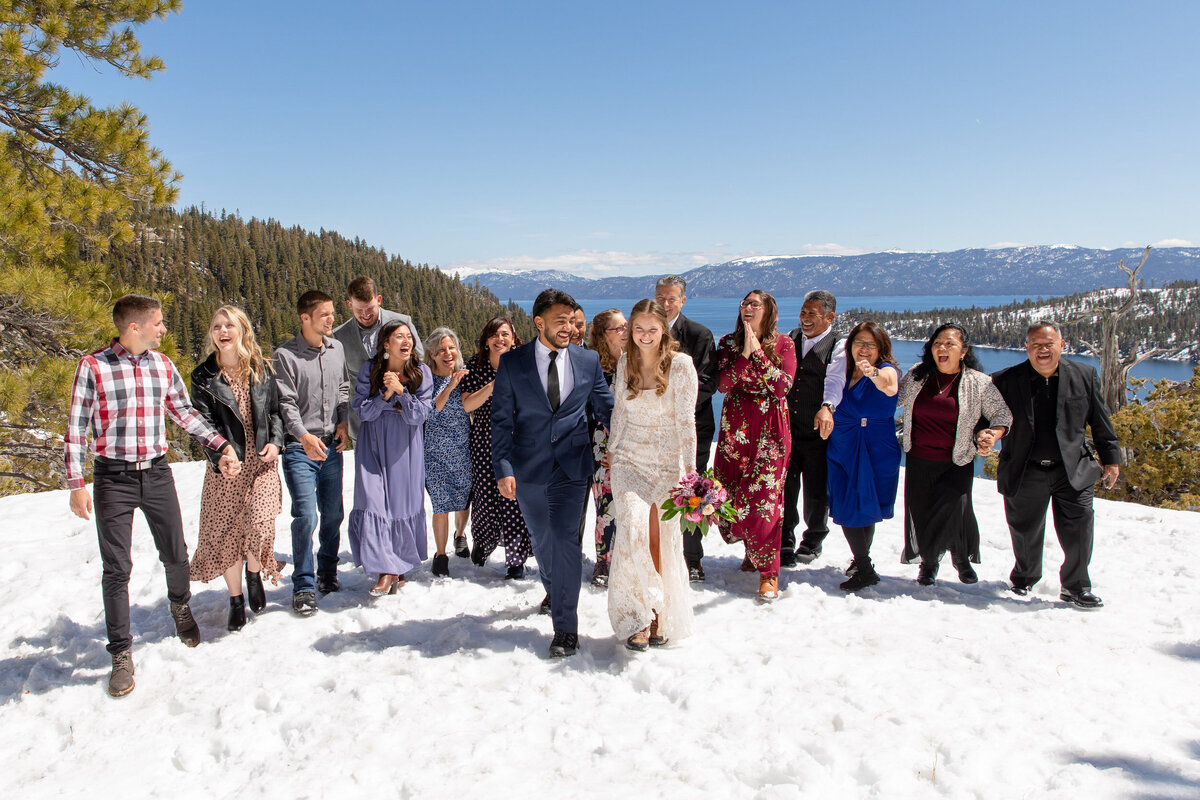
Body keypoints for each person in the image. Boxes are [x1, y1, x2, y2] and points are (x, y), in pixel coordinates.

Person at [66, 294, 240, 697]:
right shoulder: (93, 367)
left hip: (157, 472)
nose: (163, 329)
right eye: (158, 323)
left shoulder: (162, 365)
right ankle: (121, 653)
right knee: (116, 568)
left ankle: (181, 607)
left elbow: (184, 412)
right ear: (135, 328)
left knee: (176, 552)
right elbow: (77, 427)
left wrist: (219, 444)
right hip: (113, 478)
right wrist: (76, 485)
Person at [491, 289, 615, 657]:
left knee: (564, 542)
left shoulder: (588, 360)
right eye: (559, 321)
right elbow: (501, 422)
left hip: (572, 467)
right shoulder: (513, 363)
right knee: (543, 543)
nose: (568, 328)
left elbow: (607, 410)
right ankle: (556, 586)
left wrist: (641, 435)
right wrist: (503, 468)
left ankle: (565, 628)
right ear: (539, 322)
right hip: (527, 468)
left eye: (571, 319)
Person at [990, 320, 1121, 609]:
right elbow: (988, 421)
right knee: (1024, 530)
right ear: (1026, 348)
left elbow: (1100, 421)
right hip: (1025, 470)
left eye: (1049, 344)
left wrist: (1111, 459)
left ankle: (1076, 586)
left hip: (1072, 470)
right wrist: (983, 437)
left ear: (1062, 345)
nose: (1042, 350)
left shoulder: (1084, 375)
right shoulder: (1004, 380)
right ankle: (1024, 578)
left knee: (1079, 529)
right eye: (1035, 344)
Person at [607, 299, 697, 650]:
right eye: (639, 329)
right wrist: (612, 451)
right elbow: (619, 413)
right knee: (631, 531)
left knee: (659, 542)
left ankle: (659, 613)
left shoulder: (681, 366)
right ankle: (637, 617)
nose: (645, 336)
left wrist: (691, 472)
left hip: (665, 464)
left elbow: (686, 423)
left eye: (653, 329)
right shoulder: (625, 362)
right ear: (631, 329)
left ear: (664, 331)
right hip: (629, 461)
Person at [189, 305, 285, 632]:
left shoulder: (260, 369)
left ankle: (254, 572)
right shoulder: (202, 376)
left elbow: (274, 412)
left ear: (242, 330)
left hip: (260, 464)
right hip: (227, 467)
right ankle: (235, 599)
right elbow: (201, 424)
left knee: (259, 524)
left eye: (229, 325)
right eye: (217, 326)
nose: (222, 331)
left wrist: (276, 442)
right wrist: (220, 455)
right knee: (227, 533)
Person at [897, 324, 1012, 586]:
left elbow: (1002, 414)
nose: (942, 348)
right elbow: (893, 398)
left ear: (964, 352)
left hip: (956, 461)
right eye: (937, 343)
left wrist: (993, 434)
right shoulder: (918, 376)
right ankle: (928, 563)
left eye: (949, 343)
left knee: (953, 511)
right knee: (923, 512)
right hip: (918, 458)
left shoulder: (978, 383)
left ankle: (961, 558)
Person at [714, 289, 797, 601]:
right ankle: (752, 551)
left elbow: (781, 386)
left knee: (764, 501)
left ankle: (769, 573)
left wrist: (758, 353)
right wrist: (745, 354)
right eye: (744, 303)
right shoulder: (727, 343)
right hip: (735, 429)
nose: (748, 308)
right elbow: (723, 384)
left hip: (771, 429)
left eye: (755, 304)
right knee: (732, 495)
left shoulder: (785, 343)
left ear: (768, 310)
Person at [273, 290, 350, 616]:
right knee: (306, 515)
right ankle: (303, 585)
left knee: (333, 515)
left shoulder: (337, 349)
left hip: (332, 446)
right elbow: (285, 402)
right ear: (305, 318)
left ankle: (328, 571)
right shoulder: (285, 355)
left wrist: (344, 422)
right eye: (325, 315)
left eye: (332, 313)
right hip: (299, 448)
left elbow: (343, 388)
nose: (331, 320)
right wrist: (303, 437)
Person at [347, 320, 435, 595]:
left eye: (409, 336)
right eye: (399, 337)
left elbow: (419, 416)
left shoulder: (422, 372)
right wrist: (386, 394)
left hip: (405, 447)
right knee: (373, 501)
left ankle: (396, 568)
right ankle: (387, 570)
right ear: (386, 344)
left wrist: (402, 392)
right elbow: (363, 413)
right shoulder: (369, 370)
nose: (406, 341)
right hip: (372, 444)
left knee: (399, 505)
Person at [825, 321, 902, 593]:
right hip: (843, 443)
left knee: (862, 508)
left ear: (881, 347)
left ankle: (864, 567)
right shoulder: (843, 370)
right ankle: (862, 562)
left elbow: (890, 387)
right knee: (851, 506)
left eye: (871, 344)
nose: (864, 349)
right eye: (859, 343)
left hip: (873, 445)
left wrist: (873, 374)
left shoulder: (886, 369)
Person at [654, 275, 718, 582]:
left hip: (692, 428)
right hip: (651, 432)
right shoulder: (644, 332)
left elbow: (708, 383)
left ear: (683, 301)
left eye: (671, 299)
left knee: (691, 492)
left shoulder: (699, 334)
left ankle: (692, 559)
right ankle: (658, 554)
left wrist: (672, 407)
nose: (665, 304)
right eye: (660, 298)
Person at [460, 317, 533, 578]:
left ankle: (515, 560)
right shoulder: (475, 366)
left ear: (514, 338)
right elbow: (467, 405)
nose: (499, 339)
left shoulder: (524, 365)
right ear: (486, 339)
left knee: (514, 498)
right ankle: (483, 542)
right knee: (485, 495)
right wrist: (493, 385)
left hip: (517, 441)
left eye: (505, 334)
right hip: (483, 441)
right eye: (494, 334)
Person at [781, 290, 846, 567]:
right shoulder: (790, 338)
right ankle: (784, 541)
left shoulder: (838, 345)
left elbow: (836, 380)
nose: (805, 319)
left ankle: (813, 540)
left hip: (818, 432)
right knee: (786, 487)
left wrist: (827, 406)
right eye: (803, 312)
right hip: (788, 429)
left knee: (817, 490)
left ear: (829, 317)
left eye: (812, 314)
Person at [332, 275, 423, 443]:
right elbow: (339, 384)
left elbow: (419, 363)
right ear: (349, 304)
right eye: (359, 310)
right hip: (362, 424)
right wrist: (341, 420)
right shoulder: (338, 336)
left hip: (401, 419)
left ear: (379, 299)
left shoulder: (403, 322)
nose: (365, 315)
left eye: (370, 309)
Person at [423, 326, 472, 576]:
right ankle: (441, 555)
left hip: (462, 449)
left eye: (451, 348)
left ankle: (460, 535)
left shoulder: (465, 375)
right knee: (440, 505)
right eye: (441, 349)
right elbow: (431, 410)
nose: (448, 353)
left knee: (463, 499)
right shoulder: (424, 378)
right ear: (431, 353)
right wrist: (451, 385)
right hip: (434, 453)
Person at [586, 308, 628, 586]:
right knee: (607, 505)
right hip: (606, 445)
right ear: (604, 335)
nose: (626, 331)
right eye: (619, 328)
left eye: (627, 325)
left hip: (637, 444)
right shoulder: (595, 368)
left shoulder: (637, 363)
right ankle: (605, 562)